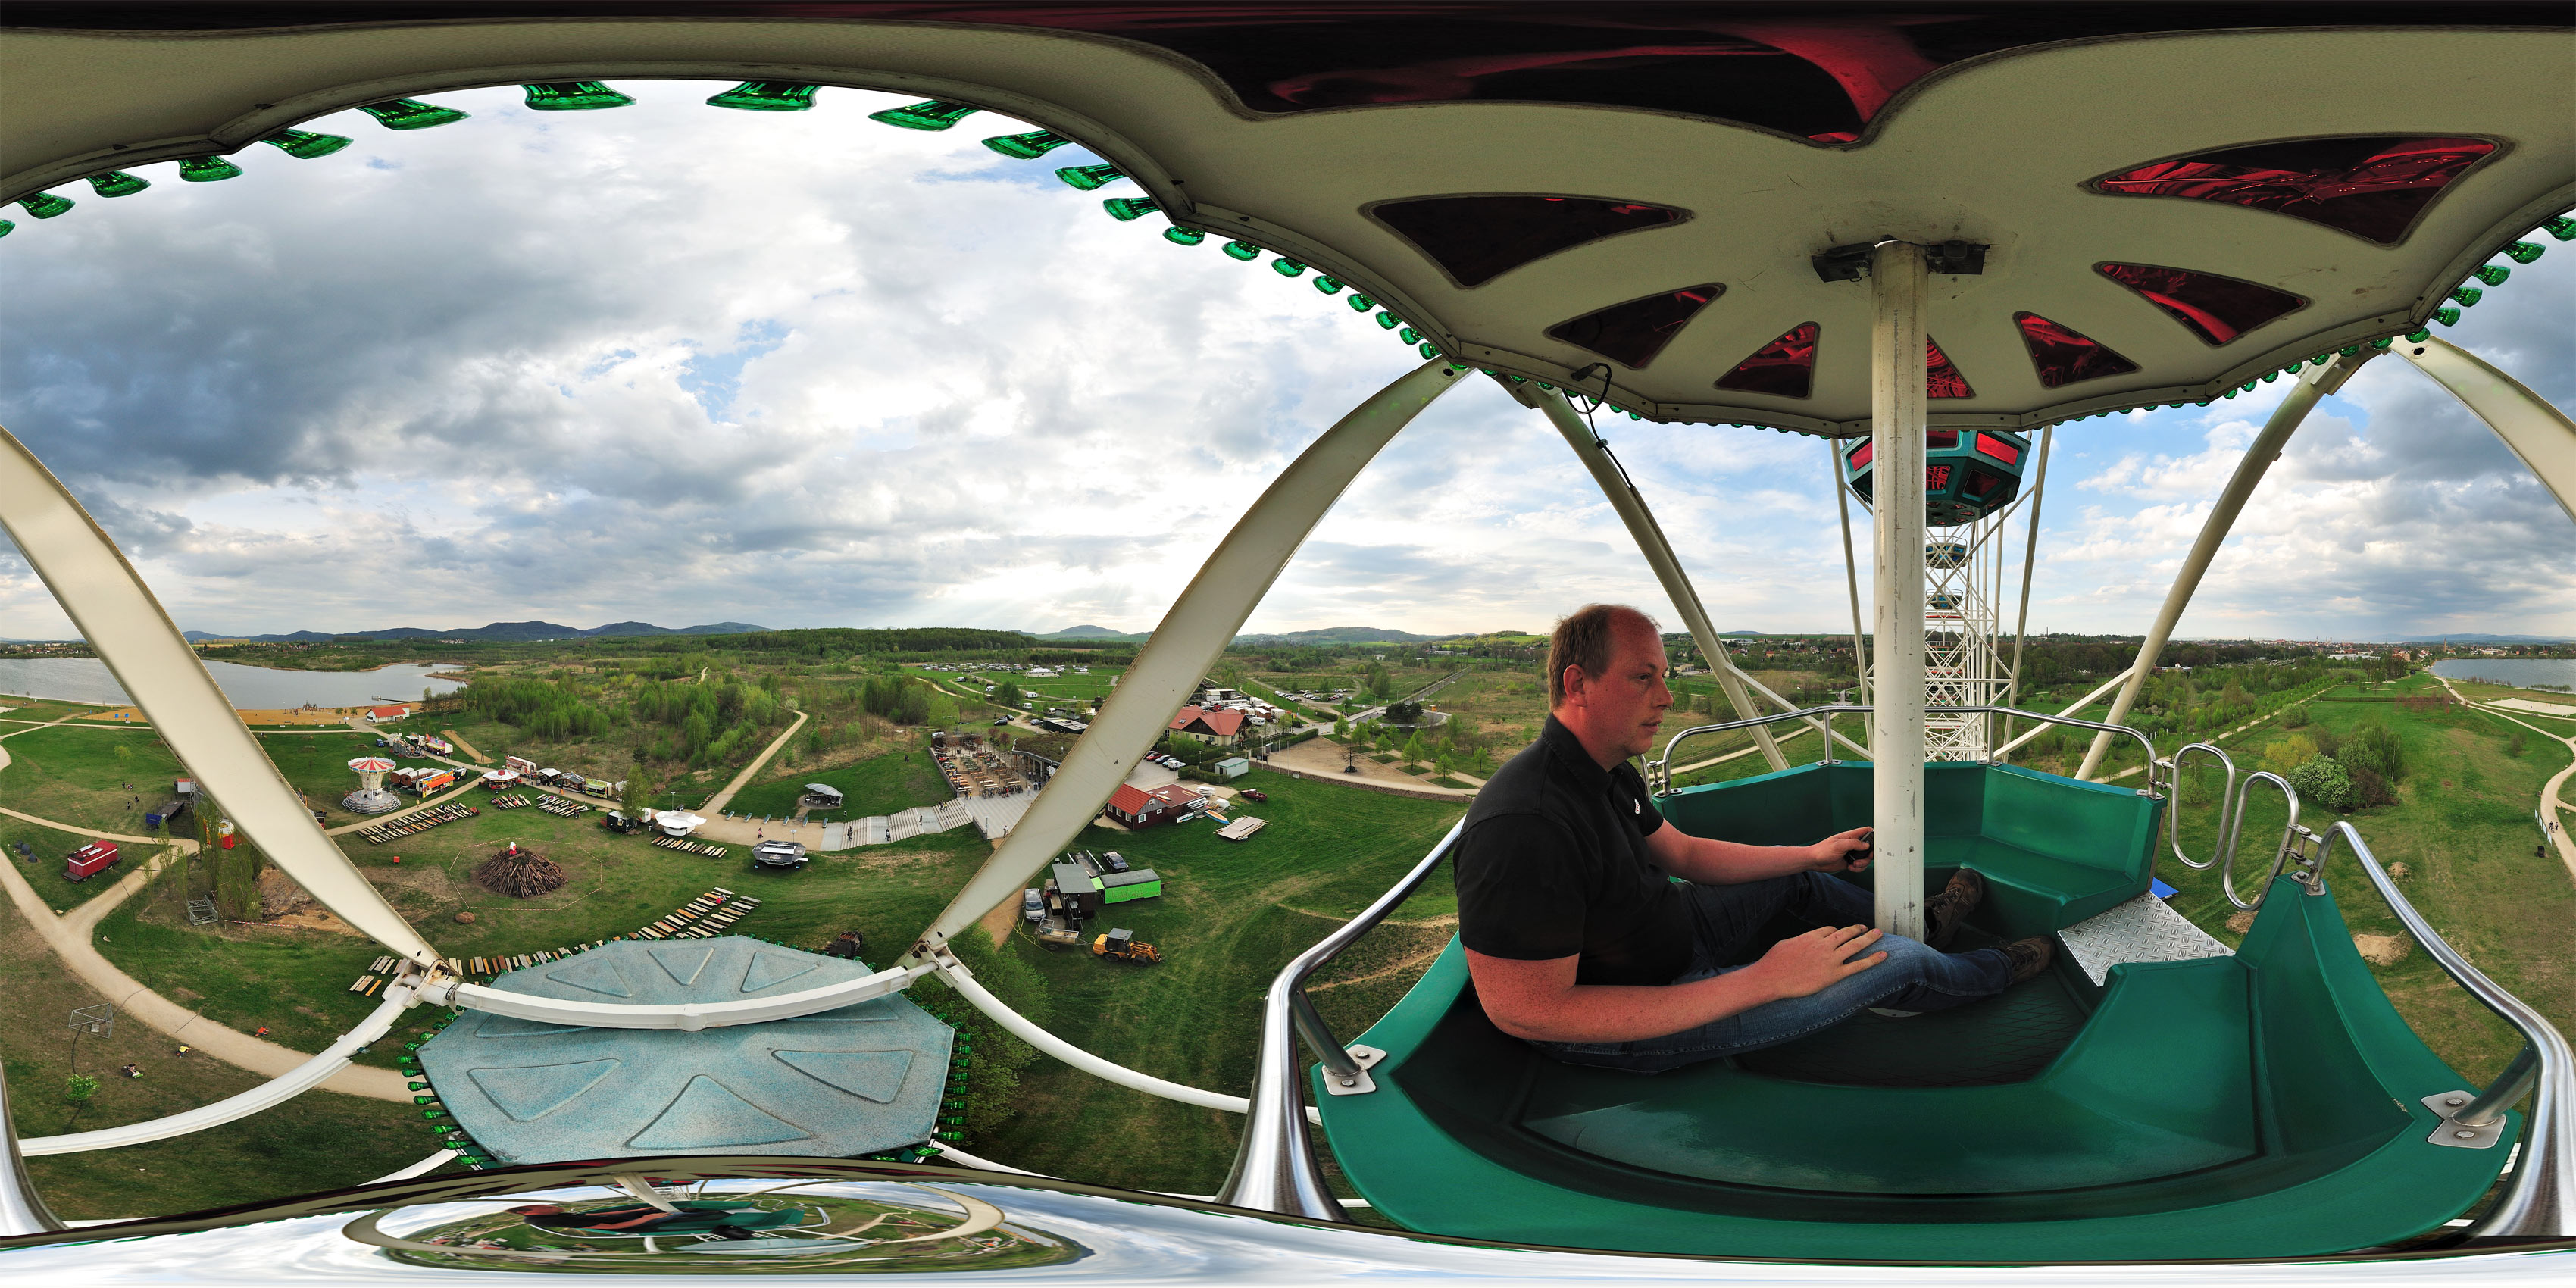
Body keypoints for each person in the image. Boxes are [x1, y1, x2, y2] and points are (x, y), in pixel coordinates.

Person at [1454, 604, 2052, 1074]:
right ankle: (1996, 967)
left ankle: (1925, 926)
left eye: (1663, 677)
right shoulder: (1523, 827)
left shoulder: (1605, 769)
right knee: (1886, 962)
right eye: (1643, 678)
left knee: (1795, 880)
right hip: (1647, 1014)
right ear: (1578, 684)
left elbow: (1683, 854)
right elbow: (1529, 1012)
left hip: (1676, 933)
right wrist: (1761, 981)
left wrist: (1812, 855)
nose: (1665, 698)